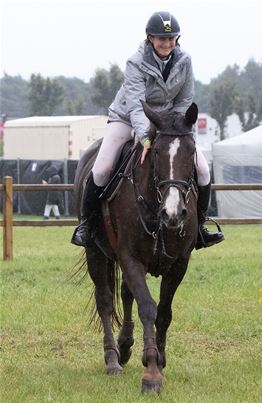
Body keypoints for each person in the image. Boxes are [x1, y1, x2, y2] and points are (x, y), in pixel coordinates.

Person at [71, 11, 224, 249]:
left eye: (171, 38)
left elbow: (185, 99)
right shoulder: (135, 62)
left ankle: (200, 228)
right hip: (128, 118)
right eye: (161, 39)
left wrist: (174, 125)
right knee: (101, 169)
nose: (167, 43)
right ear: (150, 38)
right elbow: (135, 103)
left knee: (203, 170)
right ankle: (87, 226)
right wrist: (145, 137)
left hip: (168, 123)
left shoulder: (185, 61)